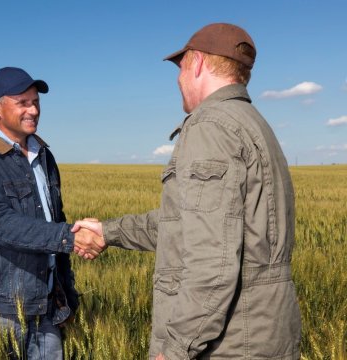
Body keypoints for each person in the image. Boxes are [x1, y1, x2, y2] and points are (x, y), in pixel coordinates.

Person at [73, 23, 302, 359]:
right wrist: (108, 231)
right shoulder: (254, 124)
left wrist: (177, 347)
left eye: (180, 69)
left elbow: (212, 260)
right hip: (267, 333)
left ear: (195, 64)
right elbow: (187, 224)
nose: (178, 80)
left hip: (232, 344)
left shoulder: (210, 126)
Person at [0, 66, 80, 359]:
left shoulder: (44, 156)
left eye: (36, 102)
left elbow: (53, 221)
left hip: (47, 308)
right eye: (22, 102)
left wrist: (67, 295)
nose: (33, 110)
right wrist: (71, 237)